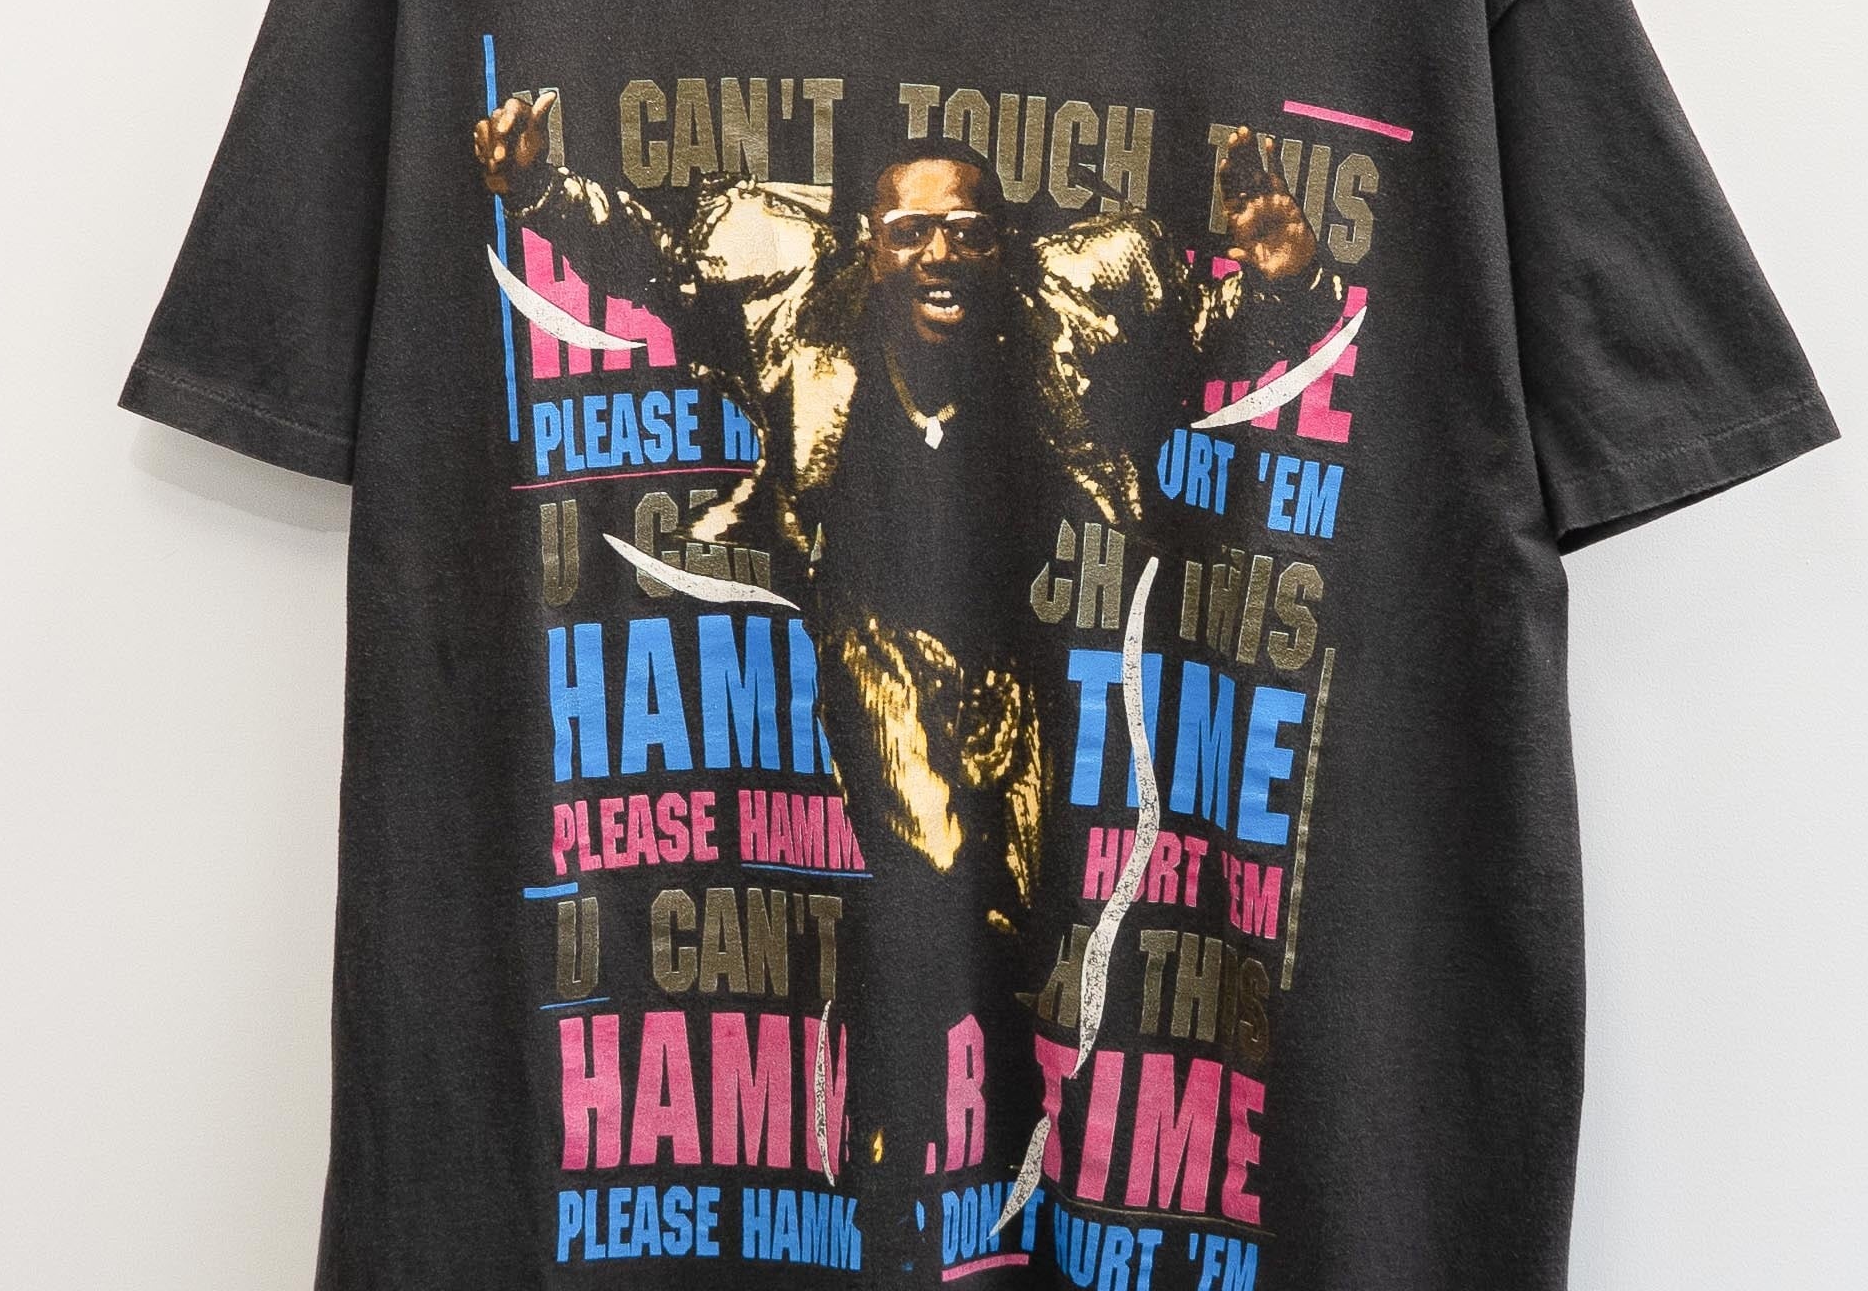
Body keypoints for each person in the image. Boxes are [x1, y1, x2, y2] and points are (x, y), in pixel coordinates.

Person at [476, 96, 1337, 934]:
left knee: (1022, 923)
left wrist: (1289, 279)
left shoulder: (1061, 323)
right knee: (943, 875)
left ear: (1003, 249)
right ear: (870, 246)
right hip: (874, 638)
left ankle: (894, 1010)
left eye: (967, 233)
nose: (940, 254)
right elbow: (657, 263)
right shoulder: (802, 316)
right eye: (910, 232)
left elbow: (1204, 338)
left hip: (1010, 651)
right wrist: (541, 191)